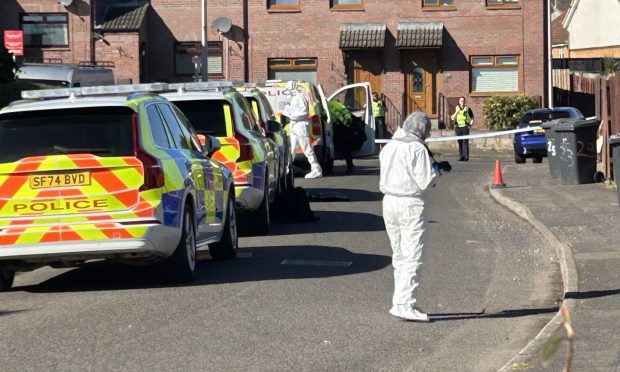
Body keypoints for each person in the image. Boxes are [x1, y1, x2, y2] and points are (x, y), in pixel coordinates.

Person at [379, 112, 450, 322]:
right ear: (422, 130)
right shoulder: (416, 148)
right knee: (413, 255)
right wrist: (438, 171)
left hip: (389, 201)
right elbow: (425, 182)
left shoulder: (390, 146)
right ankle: (405, 303)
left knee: (399, 255)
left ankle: (399, 300)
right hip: (410, 203)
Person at [282, 81, 322, 179]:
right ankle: (288, 168)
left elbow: (304, 112)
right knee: (292, 148)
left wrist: (292, 116)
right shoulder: (291, 99)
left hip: (300, 126)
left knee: (307, 149)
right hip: (294, 126)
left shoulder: (300, 97)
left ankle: (316, 169)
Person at [450, 96, 474, 161]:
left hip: (465, 127)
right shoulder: (456, 108)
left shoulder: (467, 108)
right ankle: (461, 156)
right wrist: (456, 112)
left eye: (463, 101)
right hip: (458, 127)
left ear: (465, 102)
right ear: (459, 102)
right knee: (460, 142)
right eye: (461, 101)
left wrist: (471, 122)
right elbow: (452, 118)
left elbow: (472, 116)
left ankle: (466, 156)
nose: (462, 102)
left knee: (465, 142)